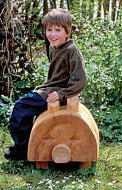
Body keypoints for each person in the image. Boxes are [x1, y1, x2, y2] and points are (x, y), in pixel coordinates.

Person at [4, 8, 87, 160]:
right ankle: (29, 144)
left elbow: (80, 79)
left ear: (67, 32)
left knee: (20, 108)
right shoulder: (53, 47)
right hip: (48, 88)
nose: (52, 34)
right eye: (49, 30)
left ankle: (22, 148)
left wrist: (62, 94)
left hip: (55, 92)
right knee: (25, 109)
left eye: (58, 30)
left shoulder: (71, 50)